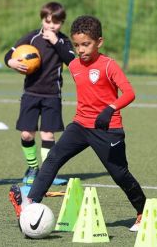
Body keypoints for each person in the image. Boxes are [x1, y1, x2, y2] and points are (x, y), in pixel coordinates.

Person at [9, 15, 147, 232]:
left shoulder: (109, 65)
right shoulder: (73, 65)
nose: (81, 49)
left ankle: (143, 212)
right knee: (54, 157)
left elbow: (130, 93)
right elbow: (63, 63)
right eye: (77, 45)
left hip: (107, 129)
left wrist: (110, 109)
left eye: (86, 44)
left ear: (99, 42)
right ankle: (30, 202)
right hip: (80, 126)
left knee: (119, 174)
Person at [4, 2, 75, 186]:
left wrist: (55, 41)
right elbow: (9, 54)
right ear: (42, 19)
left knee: (48, 136)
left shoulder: (63, 41)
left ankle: (47, 172)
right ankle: (32, 167)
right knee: (27, 134)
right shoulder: (32, 37)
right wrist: (11, 63)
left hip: (52, 95)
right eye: (48, 21)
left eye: (56, 23)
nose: (51, 26)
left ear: (62, 23)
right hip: (31, 93)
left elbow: (71, 60)